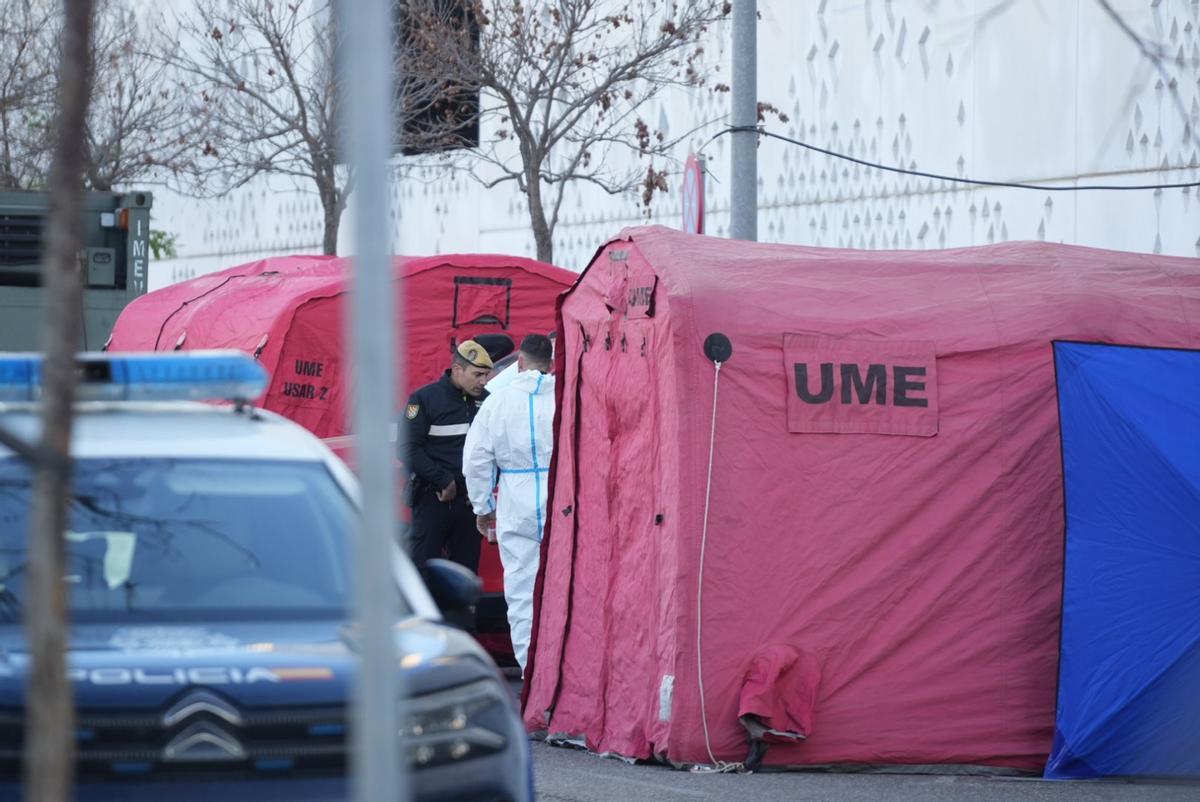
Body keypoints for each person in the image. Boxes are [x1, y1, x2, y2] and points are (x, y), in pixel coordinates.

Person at [462, 334, 555, 674]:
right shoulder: (566, 398)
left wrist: (482, 507)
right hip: (562, 498)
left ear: (519, 363)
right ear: (552, 364)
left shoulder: (497, 403)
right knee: (565, 589)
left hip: (516, 499)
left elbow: (476, 460)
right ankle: (568, 677)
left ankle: (532, 672)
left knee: (521, 590)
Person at [402, 340, 492, 572]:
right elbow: (408, 449)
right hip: (433, 498)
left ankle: (460, 611)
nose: (483, 381)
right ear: (458, 370)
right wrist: (443, 479)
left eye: (486, 375)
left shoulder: (488, 401)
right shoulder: (425, 399)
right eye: (478, 374)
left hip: (469, 503)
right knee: (423, 570)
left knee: (465, 572)